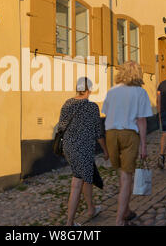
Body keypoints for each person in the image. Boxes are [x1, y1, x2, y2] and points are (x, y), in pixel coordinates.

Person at [102, 61, 152, 226]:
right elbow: (142, 120)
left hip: (111, 134)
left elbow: (107, 113)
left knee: (122, 175)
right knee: (126, 177)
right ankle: (119, 220)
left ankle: (127, 210)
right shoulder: (140, 92)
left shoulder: (112, 91)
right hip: (129, 134)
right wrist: (144, 145)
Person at [58, 77, 109, 226]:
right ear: (88, 90)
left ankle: (91, 209)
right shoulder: (92, 107)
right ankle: (70, 223)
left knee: (87, 176)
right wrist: (105, 150)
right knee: (77, 184)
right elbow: (98, 133)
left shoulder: (67, 104)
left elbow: (61, 127)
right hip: (83, 149)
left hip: (68, 147)